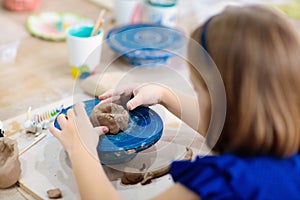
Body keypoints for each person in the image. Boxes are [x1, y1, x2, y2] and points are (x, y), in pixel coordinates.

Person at [50, 5, 300, 200]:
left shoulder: (227, 184)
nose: (197, 97)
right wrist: (165, 95)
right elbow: (232, 123)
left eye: (198, 91)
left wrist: (81, 151)